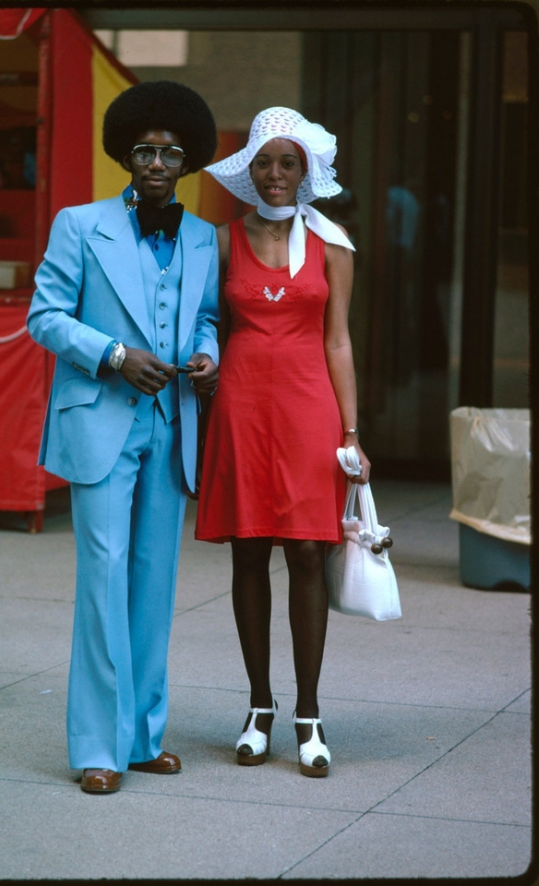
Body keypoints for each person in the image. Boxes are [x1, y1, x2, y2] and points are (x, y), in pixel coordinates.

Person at [27, 81, 219, 794]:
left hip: (170, 426)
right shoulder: (80, 225)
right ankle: (96, 749)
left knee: (153, 586)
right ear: (126, 156)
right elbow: (44, 317)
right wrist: (113, 354)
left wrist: (208, 356)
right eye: (145, 150)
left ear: (188, 161)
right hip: (100, 421)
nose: (157, 162)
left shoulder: (202, 238)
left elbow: (205, 318)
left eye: (170, 153)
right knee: (103, 581)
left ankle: (141, 737)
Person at [195, 107, 370, 778]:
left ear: (307, 172)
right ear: (249, 169)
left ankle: (310, 714)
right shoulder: (218, 241)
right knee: (248, 553)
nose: (275, 174)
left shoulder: (333, 243)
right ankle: (259, 708)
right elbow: (207, 322)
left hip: (309, 411)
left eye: (288, 163)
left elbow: (338, 340)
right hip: (242, 408)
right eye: (265, 161)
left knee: (306, 552)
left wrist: (352, 434)